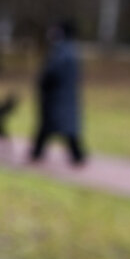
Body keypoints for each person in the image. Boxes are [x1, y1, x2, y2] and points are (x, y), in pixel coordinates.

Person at [30, 21, 86, 166]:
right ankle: (38, 152)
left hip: (56, 97)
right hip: (65, 95)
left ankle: (38, 153)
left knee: (53, 125)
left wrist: (43, 83)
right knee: (63, 127)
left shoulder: (61, 51)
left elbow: (51, 73)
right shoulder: (72, 50)